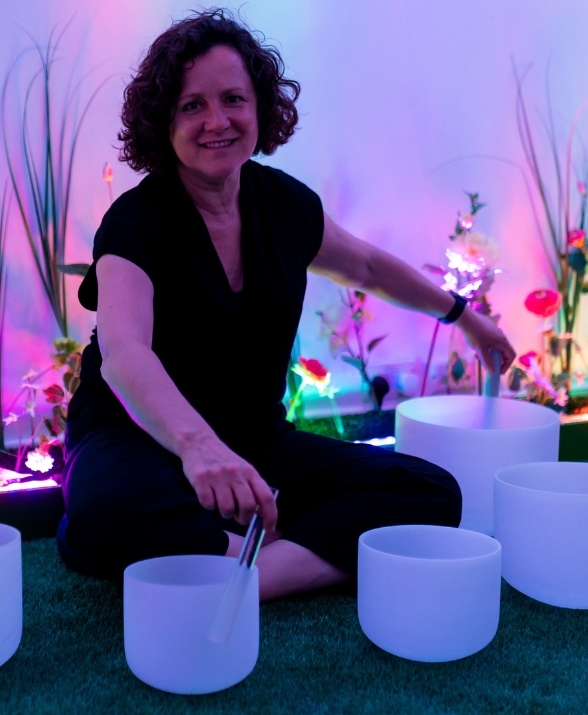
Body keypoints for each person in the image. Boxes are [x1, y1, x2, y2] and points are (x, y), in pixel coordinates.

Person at [58, 9, 516, 601]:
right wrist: (198, 447)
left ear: (260, 107)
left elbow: (367, 267)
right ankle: (275, 549)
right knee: (107, 510)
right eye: (192, 105)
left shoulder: (284, 205)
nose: (217, 121)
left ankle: (245, 573)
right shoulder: (135, 222)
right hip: (135, 439)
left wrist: (465, 317)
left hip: (255, 442)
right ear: (163, 119)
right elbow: (124, 354)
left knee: (428, 491)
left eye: (233, 99)